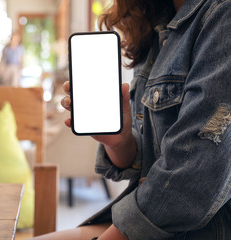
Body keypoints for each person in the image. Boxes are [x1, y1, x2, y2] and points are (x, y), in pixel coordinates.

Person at [31, 0, 231, 239]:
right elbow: (150, 160)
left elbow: (194, 178)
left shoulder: (222, 15)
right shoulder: (156, 23)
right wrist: (120, 142)